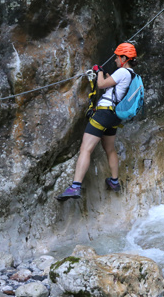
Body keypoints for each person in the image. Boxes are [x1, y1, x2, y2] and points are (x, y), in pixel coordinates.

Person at [56, 42, 138, 201]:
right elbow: (114, 88)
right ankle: (114, 181)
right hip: (114, 116)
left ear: (124, 58)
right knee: (110, 149)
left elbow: (100, 84)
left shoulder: (122, 71)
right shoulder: (132, 74)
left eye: (117, 57)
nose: (115, 60)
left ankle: (75, 186)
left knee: (85, 149)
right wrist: (106, 76)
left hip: (104, 114)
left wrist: (99, 71)